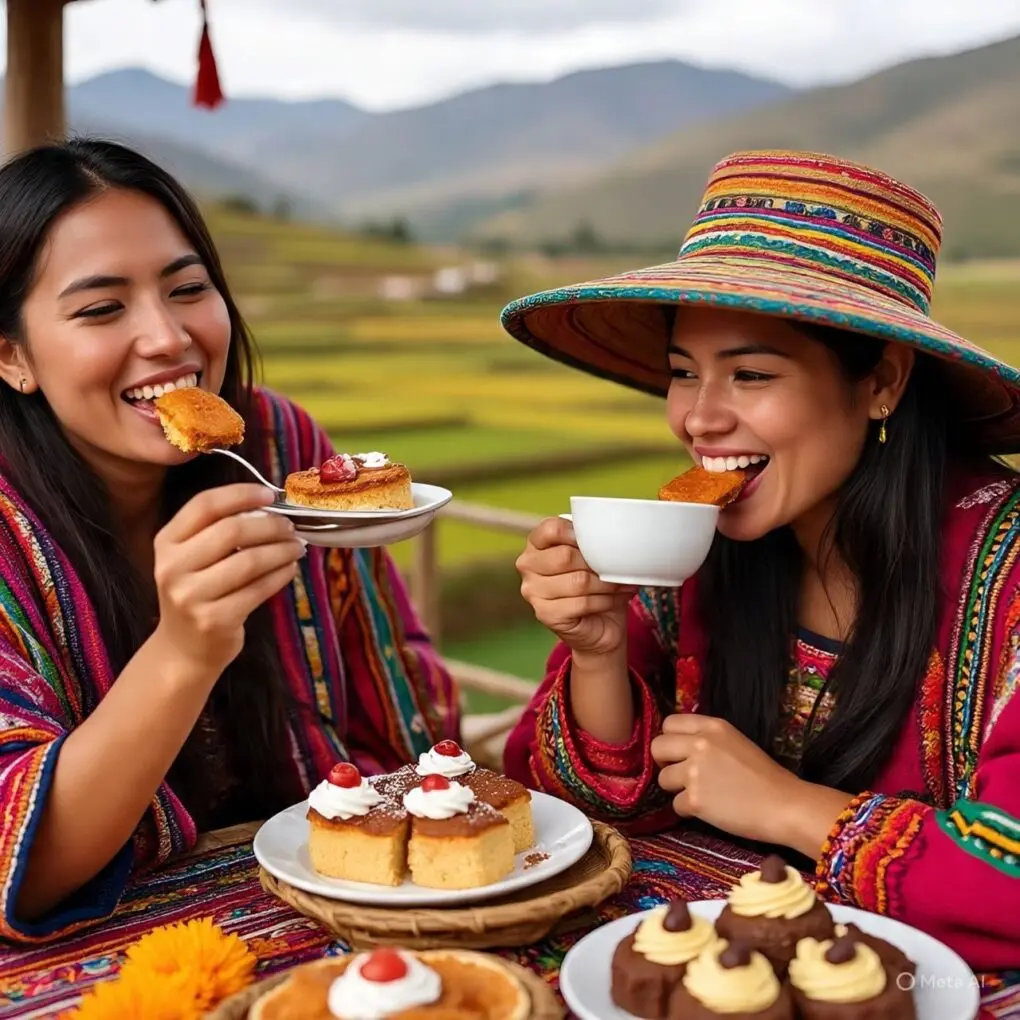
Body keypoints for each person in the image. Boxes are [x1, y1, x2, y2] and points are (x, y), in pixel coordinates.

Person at [500, 150, 1020, 971]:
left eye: (749, 373)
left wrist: (792, 809)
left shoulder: (1010, 572)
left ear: (880, 382)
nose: (699, 419)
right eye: (682, 373)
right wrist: (597, 652)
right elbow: (561, 818)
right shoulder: (698, 548)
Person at [0, 138, 459, 944]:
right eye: (102, 308)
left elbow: (397, 711)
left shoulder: (280, 447)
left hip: (332, 912)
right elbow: (18, 865)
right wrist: (185, 650)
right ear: (11, 356)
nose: (168, 338)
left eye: (187, 288)